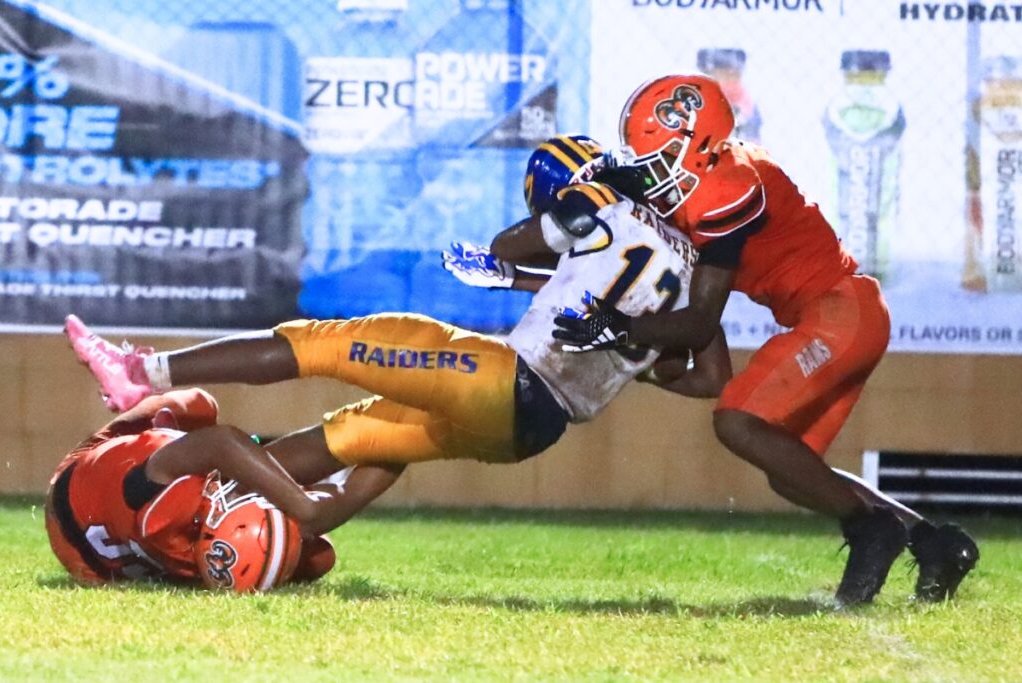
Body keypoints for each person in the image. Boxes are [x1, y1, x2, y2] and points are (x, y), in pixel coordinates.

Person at [64, 134, 731, 481]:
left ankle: (142, 374)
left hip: (505, 381)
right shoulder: (695, 267)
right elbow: (708, 378)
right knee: (353, 440)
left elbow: (508, 243)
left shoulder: (600, 205)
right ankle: (252, 509)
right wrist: (622, 350)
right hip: (532, 431)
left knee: (322, 341)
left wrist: (532, 251)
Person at [551, 75, 979, 606]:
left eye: (659, 159)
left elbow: (702, 322)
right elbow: (710, 373)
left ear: (701, 146)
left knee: (738, 422)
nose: (650, 172)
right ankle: (937, 543)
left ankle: (873, 529)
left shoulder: (727, 189)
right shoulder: (712, 173)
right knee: (790, 469)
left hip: (838, 313)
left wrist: (617, 329)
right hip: (845, 312)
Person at [46, 386, 402, 587]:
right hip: (114, 546)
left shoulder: (166, 505)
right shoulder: (201, 552)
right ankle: (400, 430)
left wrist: (306, 511)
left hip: (74, 490)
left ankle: (141, 393)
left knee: (202, 406)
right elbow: (340, 512)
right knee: (309, 531)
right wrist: (409, 440)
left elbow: (223, 443)